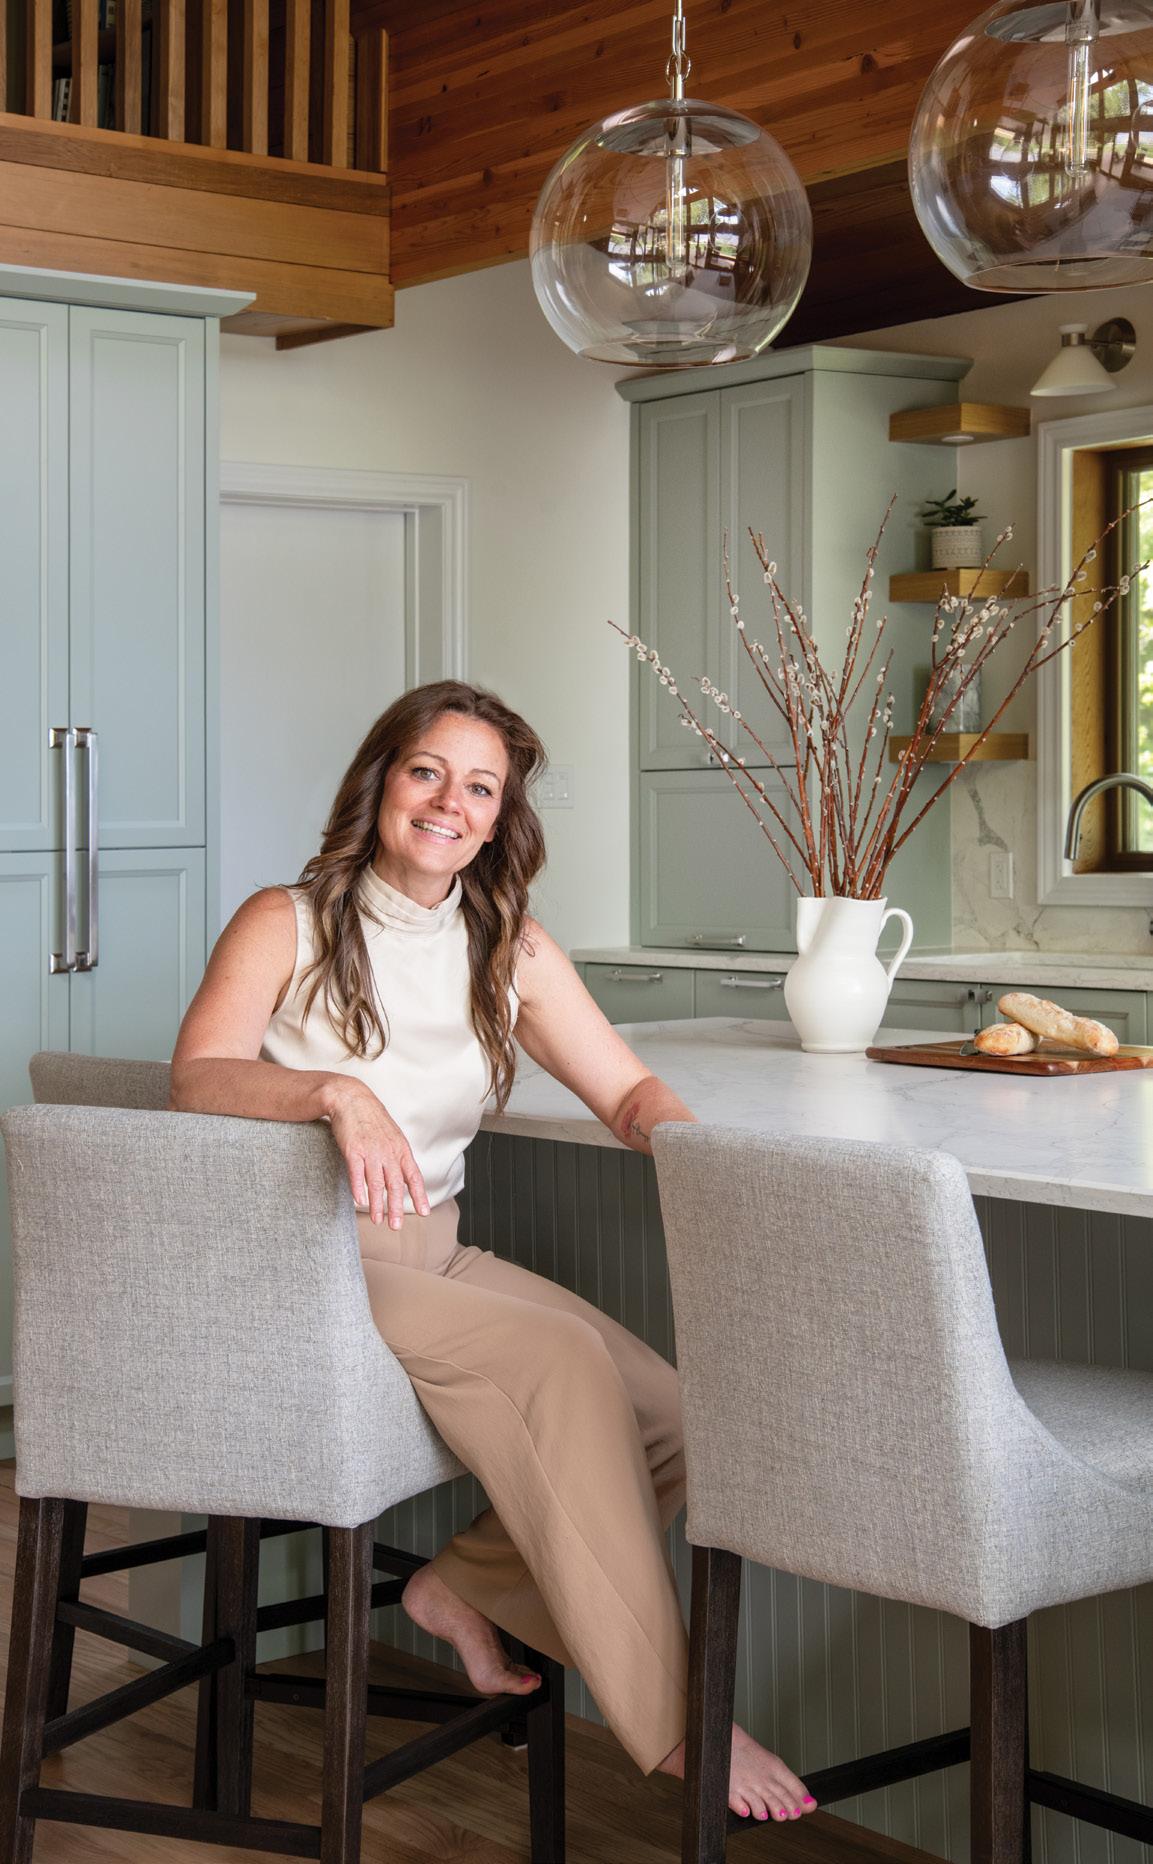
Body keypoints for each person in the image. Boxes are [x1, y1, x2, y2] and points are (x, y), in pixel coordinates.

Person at [170, 679, 814, 1824]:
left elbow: (627, 1091)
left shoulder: (505, 945)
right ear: (381, 780)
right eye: (427, 771)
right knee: (562, 1364)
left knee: (673, 1411)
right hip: (309, 1264)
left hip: (432, 1252)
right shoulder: (287, 919)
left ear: (499, 816)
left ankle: (460, 1586)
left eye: (479, 787)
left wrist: (704, 1160)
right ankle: (680, 1722)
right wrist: (333, 1093)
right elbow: (197, 1076)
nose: (447, 803)